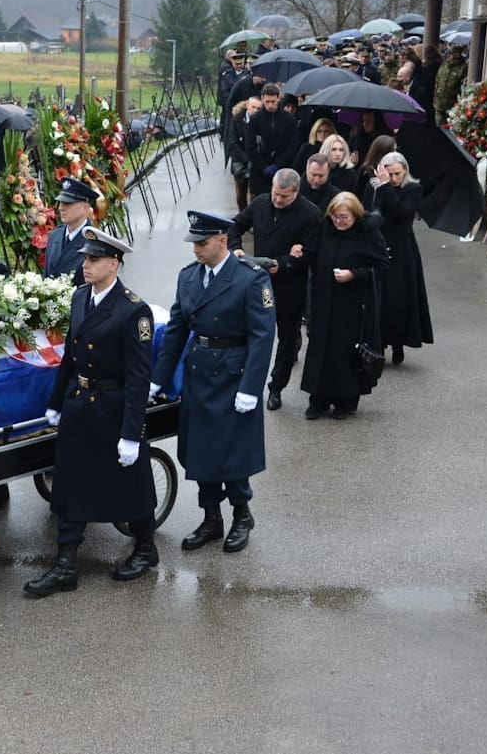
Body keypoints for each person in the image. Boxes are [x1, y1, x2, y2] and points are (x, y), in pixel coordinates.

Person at [25, 227, 157, 596]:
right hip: (80, 403)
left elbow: (139, 378)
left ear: (114, 264)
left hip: (113, 408)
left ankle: (146, 547)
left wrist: (131, 434)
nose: (86, 264)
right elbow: (71, 354)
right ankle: (65, 563)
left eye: (94, 259)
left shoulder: (133, 310)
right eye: (85, 257)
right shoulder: (81, 296)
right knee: (71, 481)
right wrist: (55, 403)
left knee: (128, 482)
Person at [150, 212, 276, 553]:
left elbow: (263, 337)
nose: (196, 250)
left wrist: (251, 388)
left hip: (233, 375)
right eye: (194, 243)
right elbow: (176, 331)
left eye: (202, 243)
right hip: (200, 371)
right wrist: (158, 379)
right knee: (200, 450)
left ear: (222, 240)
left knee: (231, 452)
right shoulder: (189, 277)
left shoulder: (251, 279)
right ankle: (211, 517)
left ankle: (242, 515)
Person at [229, 168, 322, 411]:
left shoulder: (310, 214)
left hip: (289, 286)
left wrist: (283, 263)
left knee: (286, 339)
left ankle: (276, 387)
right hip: (258, 283)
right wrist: (236, 247)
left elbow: (310, 253)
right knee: (250, 332)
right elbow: (235, 225)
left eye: (284, 196)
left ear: (296, 193)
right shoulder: (261, 203)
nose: (278, 200)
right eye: (276, 194)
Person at [299, 192, 389, 419]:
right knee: (320, 348)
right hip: (323, 298)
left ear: (355, 216)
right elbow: (313, 254)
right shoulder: (324, 229)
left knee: (344, 351)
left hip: (352, 303)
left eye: (344, 217)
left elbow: (382, 267)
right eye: (335, 216)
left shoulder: (367, 234)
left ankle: (345, 400)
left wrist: (354, 274)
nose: (338, 221)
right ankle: (318, 399)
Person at [366, 152, 433, 364]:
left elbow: (401, 211)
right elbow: (370, 212)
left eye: (398, 174)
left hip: (403, 247)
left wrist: (385, 187)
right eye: (390, 174)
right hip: (380, 245)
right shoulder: (375, 187)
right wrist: (381, 188)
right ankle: (379, 343)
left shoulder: (413, 189)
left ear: (405, 171)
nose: (394, 178)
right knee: (380, 297)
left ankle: (398, 343)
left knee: (400, 296)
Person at [43, 177, 97, 284]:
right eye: (60, 203)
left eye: (67, 203)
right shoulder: (55, 235)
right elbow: (46, 276)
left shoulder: (95, 242)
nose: (61, 208)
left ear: (85, 208)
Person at [227, 97, 260, 213]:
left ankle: (253, 215)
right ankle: (243, 214)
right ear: (247, 106)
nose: (255, 110)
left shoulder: (261, 120)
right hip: (240, 159)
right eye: (253, 107)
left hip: (257, 160)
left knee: (255, 193)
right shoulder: (236, 120)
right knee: (241, 193)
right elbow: (233, 141)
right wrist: (245, 159)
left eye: (258, 108)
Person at [356, 134, 398, 207]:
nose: (396, 154)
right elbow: (360, 196)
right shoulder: (366, 171)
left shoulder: (395, 169)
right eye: (393, 151)